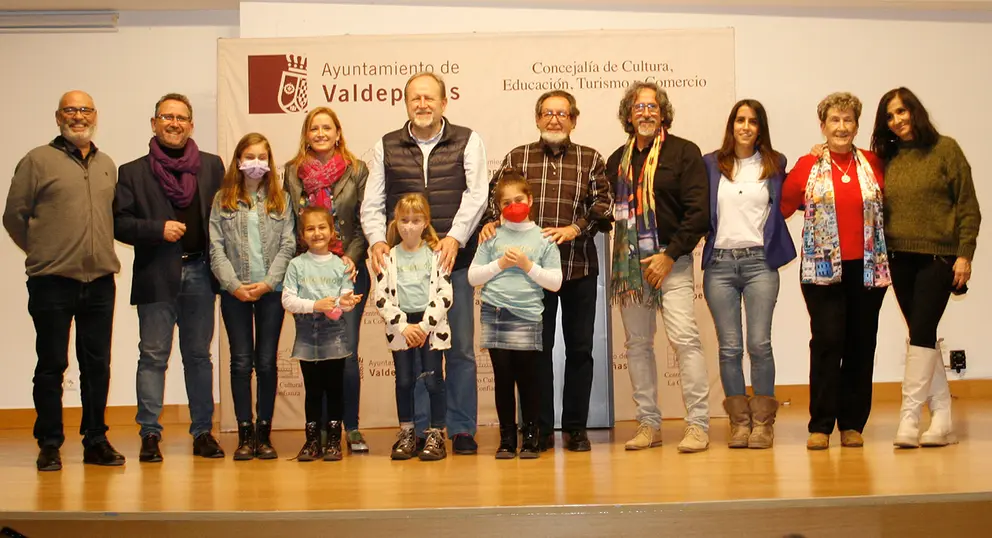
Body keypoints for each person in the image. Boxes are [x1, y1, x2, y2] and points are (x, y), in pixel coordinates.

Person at [361, 72, 488, 455]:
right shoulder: (387, 145)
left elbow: (478, 193)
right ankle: (418, 430)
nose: (422, 105)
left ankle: (461, 429)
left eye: (429, 98)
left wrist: (455, 237)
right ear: (406, 103)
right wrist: (377, 241)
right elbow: (373, 201)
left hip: (454, 261)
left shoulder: (468, 140)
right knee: (413, 347)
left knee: (461, 349)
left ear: (443, 103)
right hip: (406, 266)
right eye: (415, 98)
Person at [481, 90, 613, 452]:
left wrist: (576, 228)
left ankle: (575, 428)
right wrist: (493, 223)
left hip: (578, 266)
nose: (555, 119)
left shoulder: (591, 159)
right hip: (529, 274)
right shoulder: (518, 157)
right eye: (548, 113)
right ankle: (536, 430)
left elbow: (605, 203)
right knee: (535, 352)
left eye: (563, 114)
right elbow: (497, 196)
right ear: (537, 119)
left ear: (573, 120)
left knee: (580, 351)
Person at [3, 90, 124, 471]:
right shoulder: (37, 160)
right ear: (58, 117)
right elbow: (13, 217)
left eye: (85, 110)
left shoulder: (107, 164)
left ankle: (95, 440)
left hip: (101, 281)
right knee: (51, 364)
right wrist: (43, 252)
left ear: (95, 116)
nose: (78, 116)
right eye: (71, 110)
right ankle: (50, 443)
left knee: (96, 366)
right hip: (52, 281)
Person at [114, 93, 226, 462]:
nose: (174, 123)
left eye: (181, 118)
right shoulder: (132, 171)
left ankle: (202, 433)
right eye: (166, 117)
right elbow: (119, 223)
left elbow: (225, 219)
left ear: (191, 125)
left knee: (198, 357)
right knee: (152, 356)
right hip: (156, 274)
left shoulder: (211, 166)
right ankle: (149, 433)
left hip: (199, 272)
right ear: (154, 123)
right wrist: (156, 229)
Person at [870, 87, 981, 448]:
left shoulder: (945, 149)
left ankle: (910, 416)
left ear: (915, 111)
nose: (897, 120)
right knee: (925, 335)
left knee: (920, 332)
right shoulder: (885, 157)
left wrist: (965, 254)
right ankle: (944, 417)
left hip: (939, 257)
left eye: (902, 111)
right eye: (890, 115)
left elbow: (968, 207)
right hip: (899, 258)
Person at [781, 92, 889, 451]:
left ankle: (853, 424)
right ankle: (821, 425)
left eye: (848, 121)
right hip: (822, 269)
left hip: (868, 269)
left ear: (856, 126)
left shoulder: (873, 163)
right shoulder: (808, 164)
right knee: (827, 343)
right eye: (834, 120)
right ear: (823, 126)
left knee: (861, 344)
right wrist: (806, 163)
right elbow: (784, 203)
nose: (841, 127)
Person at [606, 81, 711, 453]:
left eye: (652, 107)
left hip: (673, 262)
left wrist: (669, 256)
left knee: (685, 341)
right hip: (631, 269)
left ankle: (698, 425)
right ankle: (648, 423)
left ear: (662, 113)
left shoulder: (684, 152)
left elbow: (699, 214)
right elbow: (609, 217)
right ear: (628, 115)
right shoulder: (616, 159)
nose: (646, 113)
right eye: (638, 108)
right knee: (637, 345)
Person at [702, 99, 795, 449]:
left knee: (759, 344)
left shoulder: (775, 163)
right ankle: (739, 424)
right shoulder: (712, 164)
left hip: (760, 263)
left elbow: (794, 193)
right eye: (739, 120)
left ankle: (763, 424)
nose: (745, 126)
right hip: (720, 265)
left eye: (752, 121)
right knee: (729, 348)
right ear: (731, 125)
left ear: (760, 128)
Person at [284, 107, 371, 453]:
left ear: (338, 132)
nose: (320, 133)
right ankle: (318, 430)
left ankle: (349, 426)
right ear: (306, 134)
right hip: (307, 273)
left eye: (327, 127)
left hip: (348, 270)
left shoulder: (356, 169)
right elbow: (291, 222)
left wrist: (351, 256)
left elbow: (365, 221)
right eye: (314, 128)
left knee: (345, 352)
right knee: (315, 354)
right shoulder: (292, 172)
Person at [208, 132, 296, 460]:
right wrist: (233, 284)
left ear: (269, 162)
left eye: (262, 157)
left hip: (270, 291)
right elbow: (215, 247)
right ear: (238, 161)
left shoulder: (281, 199)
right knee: (241, 362)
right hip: (235, 292)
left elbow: (288, 243)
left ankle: (264, 433)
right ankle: (245, 432)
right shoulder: (222, 200)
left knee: (267, 362)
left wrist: (268, 282)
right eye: (250, 157)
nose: (256, 163)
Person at [469, 172, 562, 459]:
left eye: (518, 200)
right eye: (506, 202)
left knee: (529, 379)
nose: (513, 206)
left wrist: (526, 265)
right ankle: (507, 437)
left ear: (530, 200)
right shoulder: (491, 235)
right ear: (498, 206)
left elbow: (555, 282)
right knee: (503, 378)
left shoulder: (544, 238)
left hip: (528, 315)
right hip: (495, 313)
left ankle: (531, 435)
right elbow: (474, 276)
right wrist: (498, 264)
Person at [374, 194, 453, 461]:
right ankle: (407, 432)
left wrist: (425, 325)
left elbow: (445, 293)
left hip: (430, 326)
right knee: (405, 380)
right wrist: (404, 327)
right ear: (395, 223)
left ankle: (436, 435)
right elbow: (380, 297)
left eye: (416, 220)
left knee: (433, 380)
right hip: (402, 328)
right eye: (404, 220)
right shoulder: (388, 258)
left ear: (426, 222)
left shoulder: (436, 254)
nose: (409, 226)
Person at [281, 206, 363, 462]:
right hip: (307, 339)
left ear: (332, 232)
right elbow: (288, 300)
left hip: (334, 338)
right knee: (313, 390)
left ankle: (335, 442)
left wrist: (345, 303)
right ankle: (312, 440)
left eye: (322, 227)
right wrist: (315, 305)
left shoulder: (341, 265)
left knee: (335, 389)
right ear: (302, 235)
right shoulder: (296, 265)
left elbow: (345, 298)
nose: (317, 233)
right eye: (310, 229)